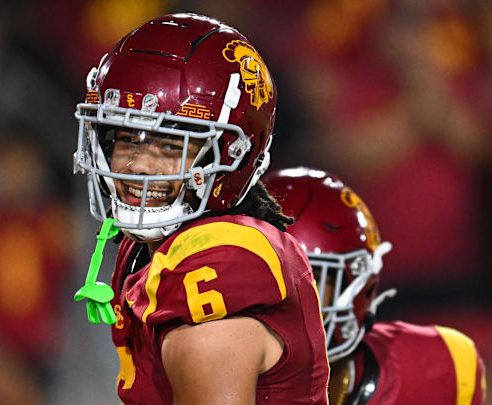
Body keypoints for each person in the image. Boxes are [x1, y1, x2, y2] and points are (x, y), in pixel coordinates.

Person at [71, 13, 329, 404]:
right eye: (127, 138)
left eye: (171, 145)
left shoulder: (212, 274)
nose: (139, 165)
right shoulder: (151, 247)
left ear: (233, 154)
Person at [264, 167, 486, 405]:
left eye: (306, 277)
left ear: (356, 287)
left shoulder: (435, 369)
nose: (279, 297)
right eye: (259, 276)